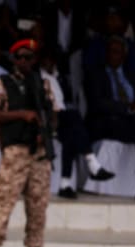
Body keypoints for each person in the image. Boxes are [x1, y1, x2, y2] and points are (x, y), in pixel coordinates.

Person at [0, 39, 55, 247]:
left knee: (38, 206)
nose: (24, 62)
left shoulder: (42, 84)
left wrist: (45, 133)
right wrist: (21, 115)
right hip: (15, 150)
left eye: (29, 57)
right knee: (3, 201)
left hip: (39, 153)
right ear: (14, 59)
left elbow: (53, 114)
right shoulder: (3, 83)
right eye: (20, 57)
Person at [84, 35, 135, 202]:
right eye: (111, 52)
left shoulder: (132, 75)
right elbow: (97, 103)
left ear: (124, 56)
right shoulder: (96, 74)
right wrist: (126, 108)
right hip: (107, 121)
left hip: (131, 123)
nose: (113, 55)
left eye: (117, 52)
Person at [36, 47, 114, 199]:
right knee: (73, 119)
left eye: (51, 59)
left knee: (73, 133)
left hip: (62, 118)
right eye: (46, 59)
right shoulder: (38, 77)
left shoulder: (61, 78)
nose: (49, 63)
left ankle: (65, 184)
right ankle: (93, 164)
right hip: (48, 117)